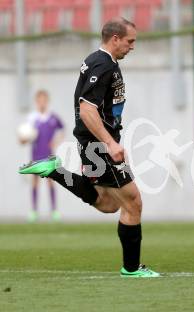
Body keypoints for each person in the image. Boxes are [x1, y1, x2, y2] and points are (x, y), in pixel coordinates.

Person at [19, 17, 159, 277]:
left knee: (109, 204)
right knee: (133, 202)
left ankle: (54, 171)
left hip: (92, 144)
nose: (132, 46)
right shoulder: (103, 65)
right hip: (98, 145)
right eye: (130, 41)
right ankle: (131, 268)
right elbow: (86, 110)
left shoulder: (101, 61)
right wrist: (110, 143)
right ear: (115, 38)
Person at [23, 90, 64, 222]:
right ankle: (34, 211)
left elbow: (62, 129)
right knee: (35, 182)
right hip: (35, 155)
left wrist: (56, 141)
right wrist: (23, 139)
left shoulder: (53, 117)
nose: (42, 102)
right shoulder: (32, 118)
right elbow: (24, 136)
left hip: (49, 155)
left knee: (50, 182)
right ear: (36, 101)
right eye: (39, 100)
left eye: (44, 100)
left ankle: (54, 211)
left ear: (47, 101)